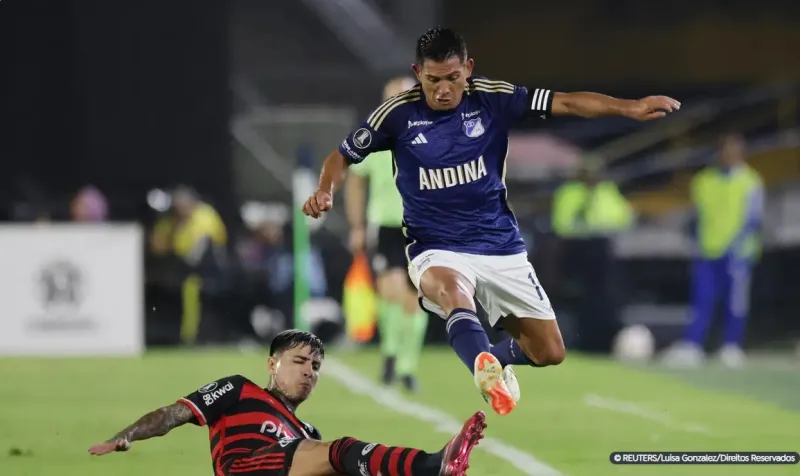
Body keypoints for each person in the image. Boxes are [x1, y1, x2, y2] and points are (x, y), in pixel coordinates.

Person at [302, 26, 680, 416]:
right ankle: (480, 364)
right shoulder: (398, 112)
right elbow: (342, 155)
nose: (444, 89)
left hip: (499, 243)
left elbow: (564, 102)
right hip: (434, 245)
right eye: (433, 80)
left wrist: (629, 107)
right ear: (419, 73)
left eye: (453, 78)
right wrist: (326, 189)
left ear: (468, 68)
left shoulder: (493, 98)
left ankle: (494, 360)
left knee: (549, 351)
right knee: (452, 292)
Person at [88, 330, 487, 476]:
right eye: (298, 362)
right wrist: (126, 436)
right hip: (243, 469)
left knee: (342, 464)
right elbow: (172, 415)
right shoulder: (239, 390)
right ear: (272, 364)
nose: (308, 371)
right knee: (338, 453)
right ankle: (433, 465)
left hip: (285, 465)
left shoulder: (305, 433)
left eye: (314, 366)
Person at [345, 77, 429, 392]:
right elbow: (355, 181)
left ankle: (407, 367)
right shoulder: (371, 136)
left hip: (422, 224)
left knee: (416, 298)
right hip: (386, 223)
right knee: (391, 291)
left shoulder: (431, 134)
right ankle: (391, 354)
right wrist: (356, 226)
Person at [662, 134, 764, 369]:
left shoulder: (750, 181)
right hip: (707, 251)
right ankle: (693, 346)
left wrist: (736, 245)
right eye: (725, 151)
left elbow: (753, 219)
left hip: (737, 253)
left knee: (735, 303)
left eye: (734, 152)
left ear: (741, 155)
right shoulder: (703, 180)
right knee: (701, 300)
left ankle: (731, 346)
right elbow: (696, 215)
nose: (728, 156)